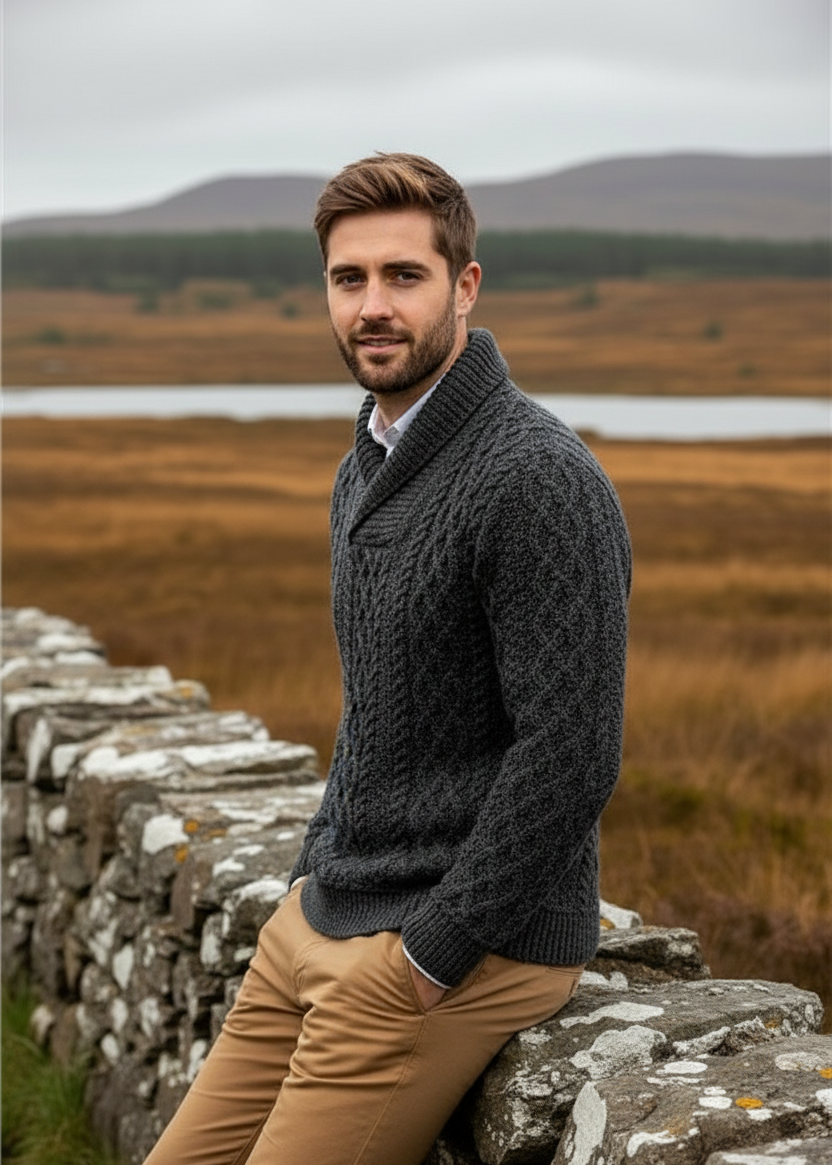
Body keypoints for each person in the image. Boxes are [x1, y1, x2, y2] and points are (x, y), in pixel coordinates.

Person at [144, 152, 631, 1165]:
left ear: (464, 285)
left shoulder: (537, 477)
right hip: (321, 916)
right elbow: (374, 705)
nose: (372, 305)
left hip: (456, 955)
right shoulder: (366, 460)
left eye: (404, 275)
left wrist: (432, 954)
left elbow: (572, 751)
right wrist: (309, 870)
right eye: (348, 278)